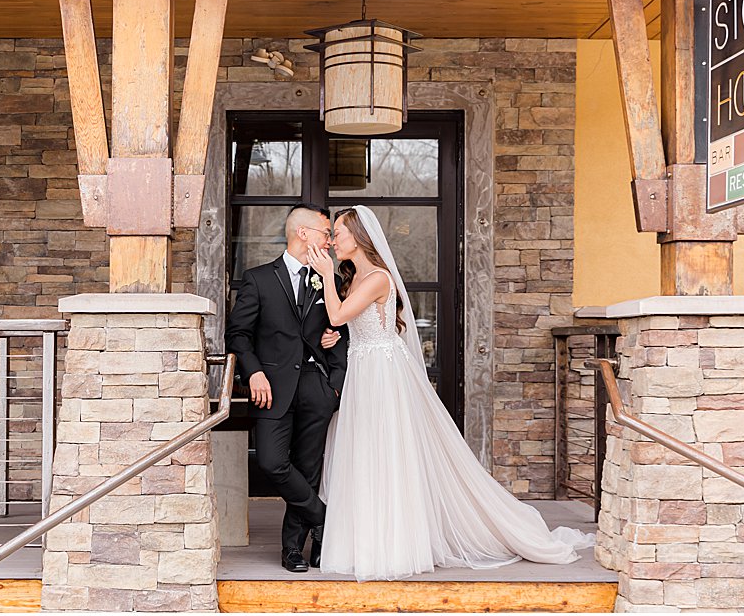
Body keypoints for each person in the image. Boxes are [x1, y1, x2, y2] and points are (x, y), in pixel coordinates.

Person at [307, 205, 594, 581]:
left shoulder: (377, 277)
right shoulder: (354, 277)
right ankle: (364, 541)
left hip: (383, 375)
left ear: (359, 237)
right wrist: (335, 324)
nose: (334, 240)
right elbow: (349, 324)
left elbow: (339, 315)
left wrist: (326, 276)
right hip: (364, 370)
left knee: (389, 452)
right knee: (365, 451)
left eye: (340, 232)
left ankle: (395, 546)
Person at [225, 203, 349, 573]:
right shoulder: (259, 279)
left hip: (317, 388)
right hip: (272, 388)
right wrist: (254, 373)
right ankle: (322, 516)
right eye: (326, 233)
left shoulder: (329, 279)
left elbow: (343, 332)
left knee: (308, 469)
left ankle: (295, 550)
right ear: (303, 234)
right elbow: (238, 334)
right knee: (272, 462)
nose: (329, 241)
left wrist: (336, 385)